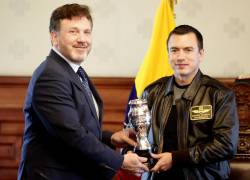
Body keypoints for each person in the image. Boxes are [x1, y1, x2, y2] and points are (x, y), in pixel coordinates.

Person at [18, 3, 148, 180]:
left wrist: (111, 138)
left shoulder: (71, 70)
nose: (82, 39)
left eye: (86, 32)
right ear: (54, 37)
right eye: (73, 31)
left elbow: (77, 125)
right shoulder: (50, 75)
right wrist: (120, 160)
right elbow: (72, 134)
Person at [141, 25, 239, 179]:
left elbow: (226, 145)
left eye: (188, 50)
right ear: (168, 54)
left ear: (201, 54)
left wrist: (176, 158)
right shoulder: (151, 92)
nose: (181, 56)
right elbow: (136, 135)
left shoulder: (219, 94)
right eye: (174, 50)